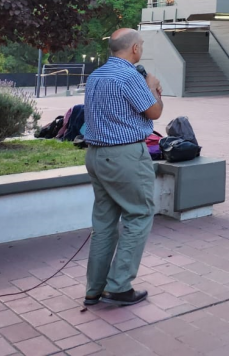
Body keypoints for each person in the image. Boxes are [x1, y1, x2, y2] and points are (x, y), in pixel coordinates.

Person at [82, 28, 163, 307]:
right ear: (135, 49)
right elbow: (153, 112)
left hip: (96, 156)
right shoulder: (130, 75)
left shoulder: (96, 75)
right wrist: (153, 87)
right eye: (140, 45)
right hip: (124, 156)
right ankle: (118, 286)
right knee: (139, 215)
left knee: (104, 223)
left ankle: (94, 288)